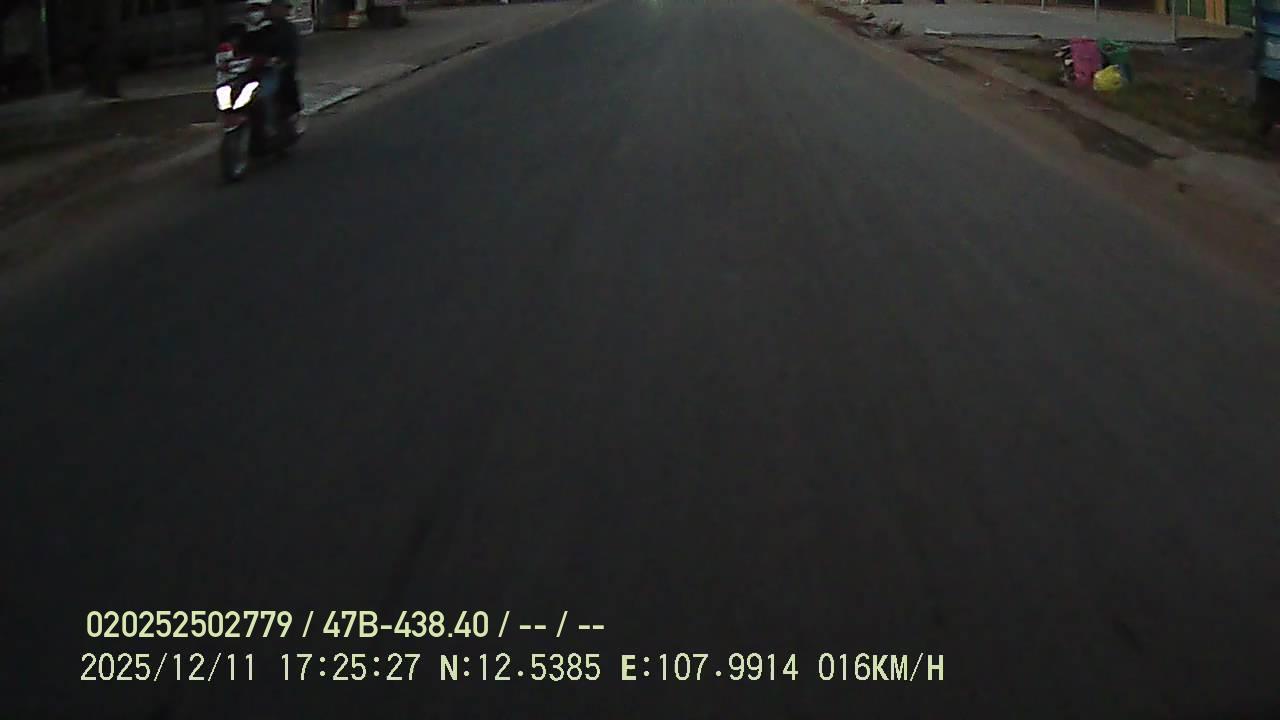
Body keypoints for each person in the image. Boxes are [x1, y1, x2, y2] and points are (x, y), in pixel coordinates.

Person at [239, 0, 302, 133]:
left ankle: (281, 120)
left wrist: (281, 61)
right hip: (251, 71)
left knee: (278, 87)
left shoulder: (285, 28)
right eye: (251, 9)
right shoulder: (247, 30)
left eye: (257, 9)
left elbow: (291, 51)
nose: (254, 13)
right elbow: (238, 49)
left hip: (273, 70)